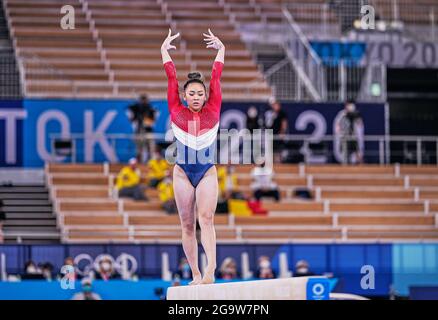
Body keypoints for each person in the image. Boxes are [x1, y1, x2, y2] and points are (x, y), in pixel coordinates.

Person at [161, 28, 225, 285]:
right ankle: (196, 274)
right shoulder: (176, 109)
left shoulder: (214, 107)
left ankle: (210, 270)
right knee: (187, 225)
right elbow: (171, 77)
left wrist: (221, 50)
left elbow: (217, 77)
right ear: (185, 96)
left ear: (205, 96)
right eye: (192, 94)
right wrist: (164, 51)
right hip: (182, 172)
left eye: (200, 93)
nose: (197, 97)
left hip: (206, 170)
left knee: (206, 219)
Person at [127, 94, 157, 162]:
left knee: (149, 146)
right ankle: (139, 161)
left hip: (148, 131)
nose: (143, 102)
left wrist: (146, 121)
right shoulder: (137, 108)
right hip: (139, 130)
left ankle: (149, 161)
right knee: (139, 148)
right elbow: (132, 118)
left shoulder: (150, 109)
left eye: (144, 100)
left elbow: (152, 121)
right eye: (142, 101)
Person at [335, 100, 364, 164]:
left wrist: (356, 117)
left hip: (353, 136)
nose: (350, 107)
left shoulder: (356, 114)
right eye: (348, 105)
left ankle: (361, 167)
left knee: (357, 151)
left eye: (351, 105)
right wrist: (340, 133)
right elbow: (337, 126)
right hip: (344, 137)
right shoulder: (342, 114)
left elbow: (360, 124)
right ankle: (345, 166)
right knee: (344, 152)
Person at [264, 98, 288, 163]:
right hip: (270, 135)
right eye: (273, 105)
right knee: (270, 151)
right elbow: (267, 124)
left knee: (277, 152)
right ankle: (271, 164)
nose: (274, 106)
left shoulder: (282, 113)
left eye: (275, 104)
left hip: (278, 135)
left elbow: (284, 124)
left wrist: (282, 132)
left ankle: (278, 164)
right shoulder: (269, 113)